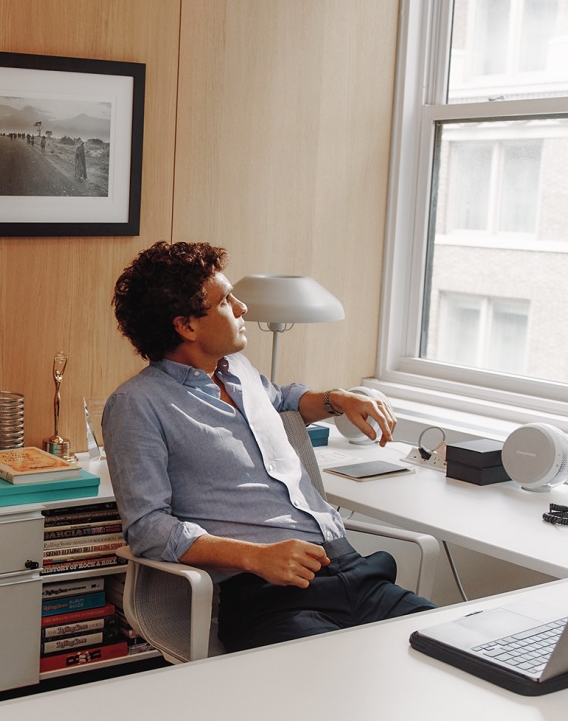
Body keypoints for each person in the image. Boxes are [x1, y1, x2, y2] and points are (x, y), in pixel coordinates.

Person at [103, 240, 434, 651]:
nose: (243, 308)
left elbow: (282, 398)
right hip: (270, 596)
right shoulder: (137, 404)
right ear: (186, 326)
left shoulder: (237, 369)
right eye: (226, 301)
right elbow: (148, 529)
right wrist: (255, 557)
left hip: (352, 568)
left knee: (453, 652)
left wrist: (339, 399)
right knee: (334, 686)